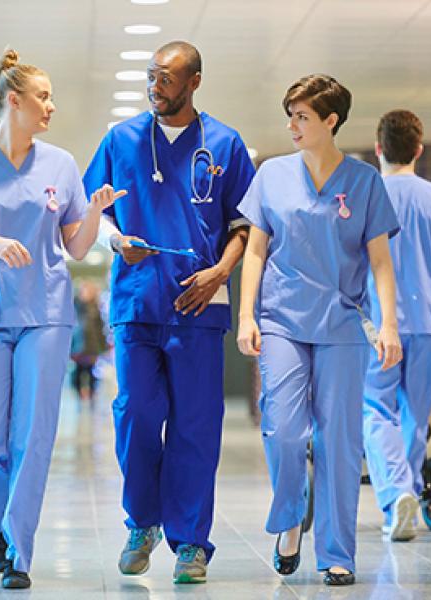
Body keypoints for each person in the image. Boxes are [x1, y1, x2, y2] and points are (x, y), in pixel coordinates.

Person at [0, 48, 124, 589]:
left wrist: (95, 213)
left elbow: (77, 247)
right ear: (13, 101)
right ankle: (0, 522)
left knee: (33, 436)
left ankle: (19, 547)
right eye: (43, 97)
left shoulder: (60, 164)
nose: (51, 106)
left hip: (47, 313)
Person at [83, 41, 255, 584]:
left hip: (199, 305)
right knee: (135, 413)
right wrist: (115, 242)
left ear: (194, 81)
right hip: (137, 301)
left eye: (166, 78)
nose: (155, 86)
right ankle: (142, 522)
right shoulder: (123, 139)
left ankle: (190, 543)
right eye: (151, 76)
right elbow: (92, 214)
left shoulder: (225, 143)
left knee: (196, 427)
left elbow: (244, 226)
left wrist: (221, 272)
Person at [236, 74, 403, 586]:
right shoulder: (271, 175)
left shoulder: (364, 181)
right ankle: (290, 518)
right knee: (283, 430)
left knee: (341, 442)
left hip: (341, 323)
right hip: (282, 321)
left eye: (302, 116)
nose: (292, 124)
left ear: (331, 121)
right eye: (290, 114)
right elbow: (256, 250)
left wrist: (389, 324)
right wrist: (246, 315)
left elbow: (379, 262)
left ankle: (336, 551)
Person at [363, 109, 431, 541]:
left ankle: (395, 495)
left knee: (374, 409)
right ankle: (404, 494)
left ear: (378, 148)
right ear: (419, 150)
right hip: (427, 323)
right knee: (415, 413)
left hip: (377, 325)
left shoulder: (365, 197)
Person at [70, 280, 107, 401]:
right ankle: (78, 394)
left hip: (91, 347)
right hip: (78, 347)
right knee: (77, 373)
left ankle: (90, 394)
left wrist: (102, 347)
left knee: (90, 372)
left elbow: (100, 330)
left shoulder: (95, 309)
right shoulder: (75, 307)